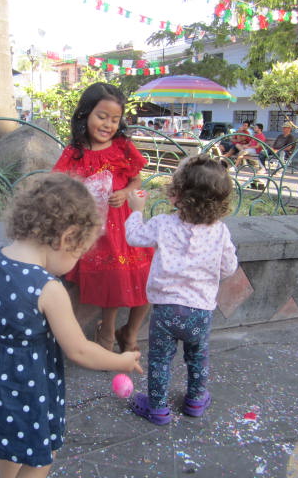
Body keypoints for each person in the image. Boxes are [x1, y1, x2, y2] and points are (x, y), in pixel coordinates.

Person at [0, 173, 143, 477]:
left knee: (7, 440)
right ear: (67, 238)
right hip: (25, 388)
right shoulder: (47, 288)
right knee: (41, 457)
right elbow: (79, 350)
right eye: (79, 253)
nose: (76, 261)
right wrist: (120, 360)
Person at [125, 154, 238, 425]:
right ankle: (196, 401)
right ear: (221, 201)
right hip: (200, 311)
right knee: (197, 356)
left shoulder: (163, 224)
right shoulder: (219, 231)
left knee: (160, 361)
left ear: (176, 195)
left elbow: (133, 236)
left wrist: (136, 210)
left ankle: (158, 408)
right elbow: (229, 267)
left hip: (166, 310)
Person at [52, 82, 153, 354]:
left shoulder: (122, 148)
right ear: (85, 114)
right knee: (114, 276)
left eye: (114, 119)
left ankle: (130, 330)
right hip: (99, 231)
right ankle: (107, 330)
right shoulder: (75, 153)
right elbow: (61, 187)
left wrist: (125, 191)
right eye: (101, 116)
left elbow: (137, 179)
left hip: (127, 226)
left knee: (150, 276)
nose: (108, 124)